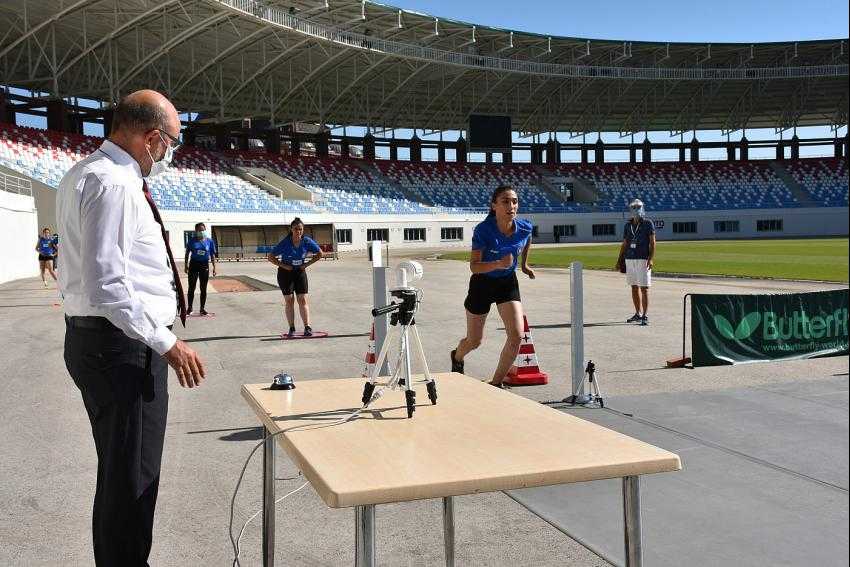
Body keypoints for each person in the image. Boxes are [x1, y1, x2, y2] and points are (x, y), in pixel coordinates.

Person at [56, 89, 205, 566]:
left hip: (99, 341)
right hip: (123, 348)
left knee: (120, 475)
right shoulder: (116, 183)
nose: (170, 154)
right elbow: (108, 284)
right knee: (134, 479)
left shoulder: (85, 173)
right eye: (172, 143)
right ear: (152, 137)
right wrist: (168, 343)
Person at [450, 185, 536, 388]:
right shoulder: (483, 230)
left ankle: (496, 383)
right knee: (474, 341)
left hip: (507, 282)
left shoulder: (525, 227)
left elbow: (528, 238)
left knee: (516, 336)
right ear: (494, 205)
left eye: (514, 201)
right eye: (505, 201)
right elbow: (474, 266)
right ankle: (457, 356)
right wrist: (497, 263)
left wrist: (523, 265)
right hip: (482, 283)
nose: (511, 206)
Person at [267, 217, 323, 337]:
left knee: (302, 299)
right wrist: (283, 266)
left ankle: (307, 327)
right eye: (296, 229)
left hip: (299, 272)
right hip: (285, 273)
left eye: (301, 229)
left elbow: (320, 253)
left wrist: (306, 264)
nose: (299, 231)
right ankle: (291, 328)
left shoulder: (307, 241)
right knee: (289, 300)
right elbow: (271, 257)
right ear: (291, 229)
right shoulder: (285, 242)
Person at [616, 198, 656, 326]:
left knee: (644, 288)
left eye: (639, 207)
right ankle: (637, 313)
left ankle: (645, 315)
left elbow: (653, 242)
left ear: (642, 208)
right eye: (634, 207)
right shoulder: (628, 225)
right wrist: (619, 259)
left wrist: (651, 258)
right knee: (633, 286)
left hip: (642, 258)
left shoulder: (648, 223)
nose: (636, 209)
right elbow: (625, 243)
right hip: (630, 258)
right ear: (630, 209)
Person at [184, 222, 218, 315]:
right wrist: (186, 265)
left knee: (203, 288)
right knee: (192, 287)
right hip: (194, 265)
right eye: (199, 230)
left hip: (204, 265)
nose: (201, 231)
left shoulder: (209, 241)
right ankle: (189, 308)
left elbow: (212, 255)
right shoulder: (191, 241)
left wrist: (214, 267)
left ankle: (202, 309)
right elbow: (187, 254)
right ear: (196, 231)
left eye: (203, 230)